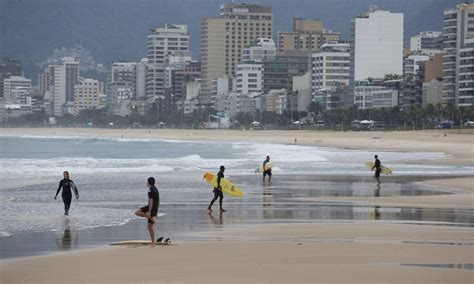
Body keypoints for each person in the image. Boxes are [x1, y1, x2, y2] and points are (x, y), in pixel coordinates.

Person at [134, 177, 160, 245]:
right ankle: (153, 242)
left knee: (137, 212)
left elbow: (151, 201)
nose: (146, 183)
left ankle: (151, 217)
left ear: (148, 182)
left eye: (147, 182)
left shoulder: (150, 190)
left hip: (150, 207)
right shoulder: (156, 189)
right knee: (149, 226)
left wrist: (149, 211)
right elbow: (158, 201)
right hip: (155, 208)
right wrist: (156, 211)